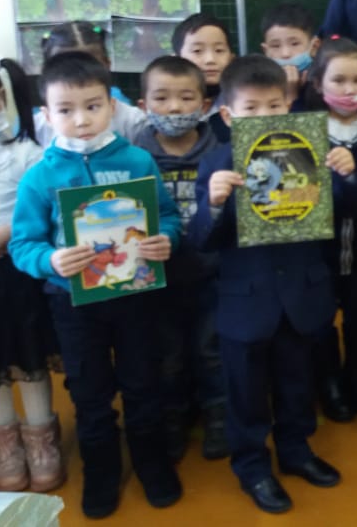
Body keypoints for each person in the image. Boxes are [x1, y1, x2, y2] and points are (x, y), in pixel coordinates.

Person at [9, 52, 182, 519]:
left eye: (92, 106)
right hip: (74, 304)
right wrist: (50, 260)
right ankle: (101, 473)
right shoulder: (40, 176)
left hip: (135, 297)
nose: (81, 120)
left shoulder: (137, 160)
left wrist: (166, 239)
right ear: (47, 115)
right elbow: (23, 244)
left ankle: (152, 465)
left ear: (112, 105)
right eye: (66, 109)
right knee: (89, 393)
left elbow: (166, 215)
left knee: (144, 383)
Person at [187, 55, 345, 515]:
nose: (264, 116)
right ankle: (252, 467)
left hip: (301, 296)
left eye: (274, 106)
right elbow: (201, 241)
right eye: (251, 109)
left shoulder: (310, 149)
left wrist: (345, 174)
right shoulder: (216, 164)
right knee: (246, 393)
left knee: (298, 384)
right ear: (228, 115)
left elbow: (343, 211)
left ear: (288, 105)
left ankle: (296, 451)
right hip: (245, 305)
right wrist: (214, 204)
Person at [0, 54, 64, 493]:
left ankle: (43, 441)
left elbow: (49, 212)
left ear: (0, 95)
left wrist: (4, 234)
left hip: (20, 272)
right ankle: (5, 446)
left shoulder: (27, 154)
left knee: (30, 358)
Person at [133, 56, 227, 462]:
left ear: (204, 105)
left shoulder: (222, 154)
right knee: (167, 356)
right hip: (157, 279)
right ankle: (173, 419)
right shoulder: (135, 157)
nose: (174, 108)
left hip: (213, 274)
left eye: (186, 98)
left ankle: (219, 417)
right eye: (162, 98)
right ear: (143, 105)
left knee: (212, 350)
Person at [303, 38, 357, 419]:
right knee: (320, 318)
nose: (350, 89)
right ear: (318, 84)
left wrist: (355, 176)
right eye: (338, 80)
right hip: (318, 250)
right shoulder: (304, 130)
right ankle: (330, 383)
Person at [33, 22, 147, 145]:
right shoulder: (36, 128)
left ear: (107, 65)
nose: (78, 76)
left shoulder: (134, 122)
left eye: (89, 67)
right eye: (66, 68)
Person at [172, 13, 235, 143]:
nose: (210, 59)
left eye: (219, 50)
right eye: (197, 51)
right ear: (177, 59)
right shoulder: (167, 110)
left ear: (231, 58)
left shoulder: (242, 107)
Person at [261, 3, 318, 108]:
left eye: (294, 44)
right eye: (275, 46)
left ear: (314, 46)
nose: (285, 54)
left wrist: (293, 96)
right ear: (266, 51)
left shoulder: (323, 85)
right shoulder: (259, 87)